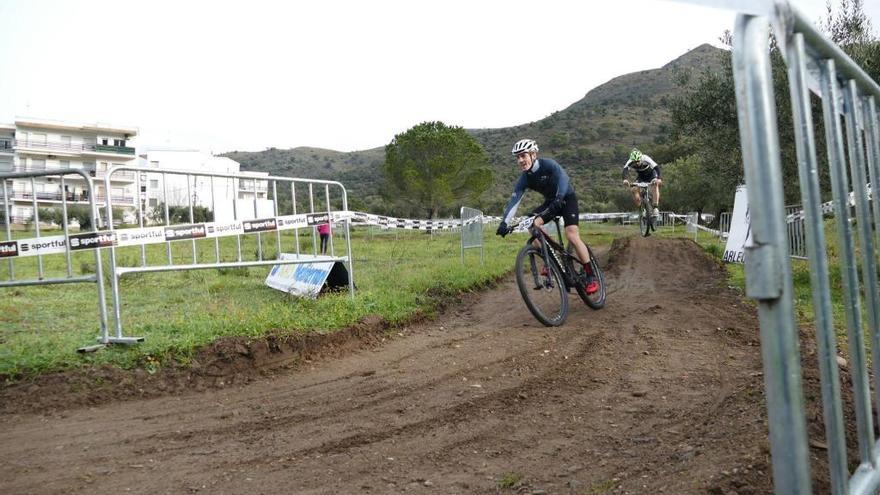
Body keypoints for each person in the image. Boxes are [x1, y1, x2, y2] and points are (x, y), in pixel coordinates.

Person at [495, 138, 599, 294]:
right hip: (551, 203)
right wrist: (504, 223)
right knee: (531, 223)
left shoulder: (548, 164)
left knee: (571, 235)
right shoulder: (524, 179)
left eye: (523, 155)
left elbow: (564, 179)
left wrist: (560, 198)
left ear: (533, 154)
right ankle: (550, 258)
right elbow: (514, 201)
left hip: (567, 198)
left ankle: (591, 275)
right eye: (517, 157)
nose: (520, 160)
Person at [622, 148, 662, 219]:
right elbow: (625, 170)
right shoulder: (630, 161)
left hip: (651, 175)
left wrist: (658, 179)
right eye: (635, 162)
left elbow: (657, 168)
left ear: (641, 158)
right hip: (641, 177)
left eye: (638, 161)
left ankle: (655, 207)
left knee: (655, 185)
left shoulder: (645, 158)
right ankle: (641, 208)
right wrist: (625, 180)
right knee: (633, 189)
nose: (637, 163)